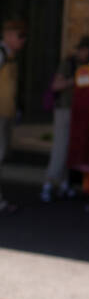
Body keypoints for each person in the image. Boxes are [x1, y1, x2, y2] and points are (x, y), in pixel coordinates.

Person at [41, 34, 89, 202]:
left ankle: (64, 183)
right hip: (65, 108)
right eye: (86, 50)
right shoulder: (69, 63)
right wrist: (75, 80)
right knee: (61, 146)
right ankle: (48, 183)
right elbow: (56, 86)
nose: (87, 53)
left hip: (81, 110)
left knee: (70, 147)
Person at [0, 17, 28, 217]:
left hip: (6, 113)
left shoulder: (10, 56)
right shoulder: (1, 54)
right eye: (21, 36)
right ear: (8, 35)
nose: (23, 40)